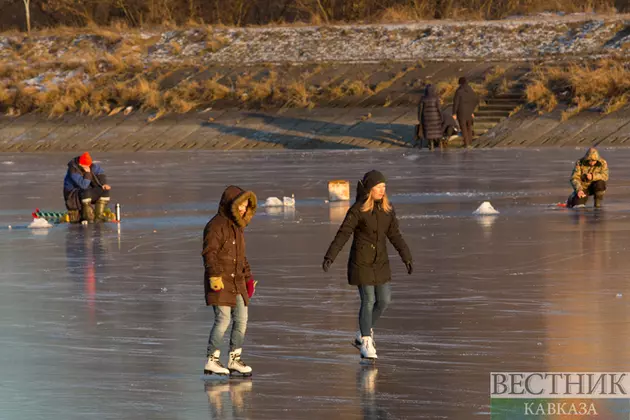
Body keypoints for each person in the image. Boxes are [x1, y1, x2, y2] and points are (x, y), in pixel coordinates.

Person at [322, 170, 412, 360]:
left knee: (384, 300)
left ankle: (362, 331)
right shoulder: (358, 209)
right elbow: (343, 233)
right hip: (361, 262)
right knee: (368, 300)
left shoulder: (387, 209)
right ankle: (366, 341)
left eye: (384, 187)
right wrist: (330, 255)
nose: (382, 190)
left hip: (380, 262)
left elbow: (395, 235)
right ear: (370, 189)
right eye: (378, 187)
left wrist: (406, 256)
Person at [202, 185, 257, 376]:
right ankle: (212, 360)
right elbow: (210, 254)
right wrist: (215, 276)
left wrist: (248, 279)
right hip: (221, 281)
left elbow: (242, 257)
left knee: (242, 320)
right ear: (231, 204)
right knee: (223, 319)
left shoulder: (238, 228)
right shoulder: (215, 225)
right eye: (241, 205)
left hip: (238, 281)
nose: (243, 209)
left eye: (246, 206)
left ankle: (234, 359)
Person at [63, 152, 111, 223]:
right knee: (86, 192)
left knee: (104, 191)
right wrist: (88, 173)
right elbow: (83, 185)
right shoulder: (73, 170)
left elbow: (100, 173)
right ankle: (87, 217)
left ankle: (99, 216)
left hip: (86, 191)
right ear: (80, 164)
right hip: (73, 195)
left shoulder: (92, 166)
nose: (88, 167)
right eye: (86, 165)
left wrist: (103, 184)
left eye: (89, 165)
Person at [452, 77, 479, 148]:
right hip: (469, 112)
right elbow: (475, 101)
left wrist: (454, 113)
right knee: (469, 127)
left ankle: (466, 144)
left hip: (461, 112)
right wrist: (472, 110)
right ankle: (470, 142)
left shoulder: (459, 91)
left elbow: (456, 103)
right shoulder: (471, 90)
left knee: (463, 128)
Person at [417, 84, 444, 151]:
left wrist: (419, 118)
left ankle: (431, 145)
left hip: (427, 118)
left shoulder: (423, 99)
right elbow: (439, 109)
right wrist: (441, 116)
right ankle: (440, 144)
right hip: (436, 118)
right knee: (437, 131)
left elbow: (420, 110)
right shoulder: (436, 98)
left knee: (429, 132)